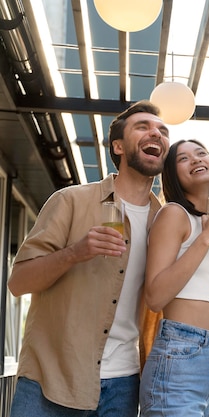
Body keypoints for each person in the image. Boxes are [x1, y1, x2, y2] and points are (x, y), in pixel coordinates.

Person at [7, 100, 170, 417]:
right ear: (118, 146)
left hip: (124, 384)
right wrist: (74, 253)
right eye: (143, 127)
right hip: (50, 378)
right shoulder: (70, 200)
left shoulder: (164, 223)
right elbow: (18, 282)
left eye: (163, 130)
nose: (157, 133)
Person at [139, 139, 209, 416]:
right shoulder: (174, 214)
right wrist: (207, 238)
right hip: (178, 351)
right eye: (183, 158)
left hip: (208, 353)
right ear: (173, 175)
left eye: (201, 153)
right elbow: (155, 296)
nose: (196, 159)